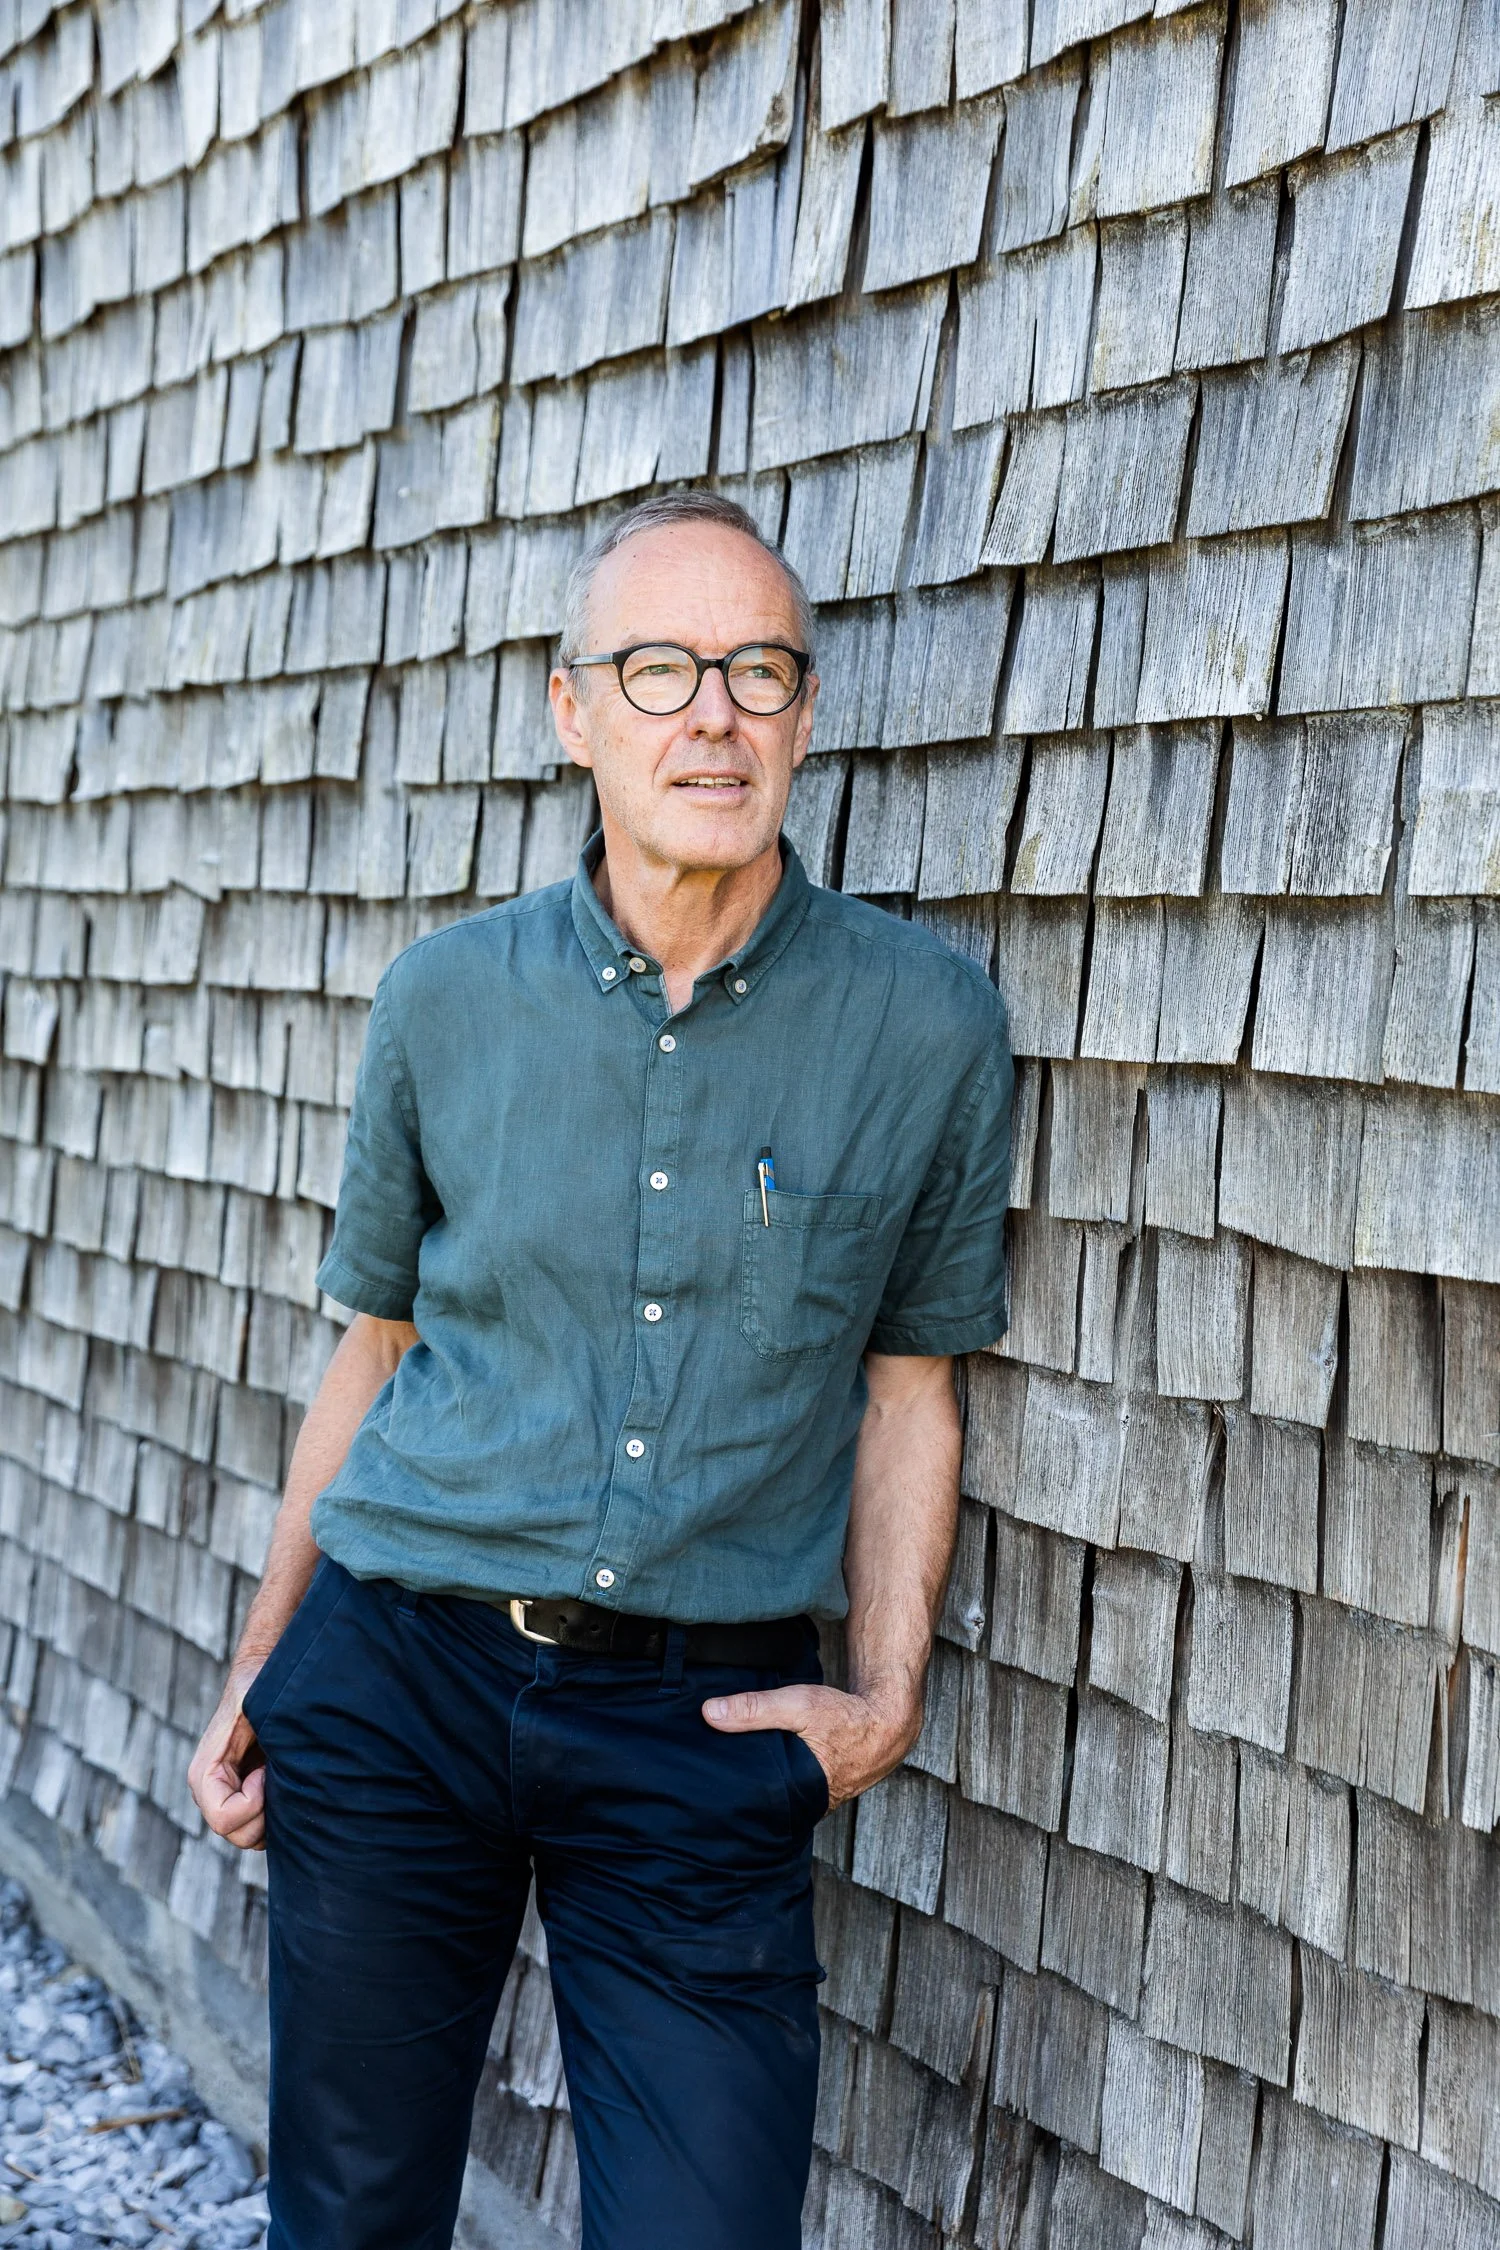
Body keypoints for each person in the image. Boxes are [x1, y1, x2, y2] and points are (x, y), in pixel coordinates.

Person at [188, 490, 1013, 2250]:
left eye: (755, 670)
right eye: (659, 668)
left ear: (802, 712)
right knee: (346, 2217)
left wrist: (884, 1697)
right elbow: (375, 1351)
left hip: (701, 1725)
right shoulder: (442, 1002)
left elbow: (909, 1387)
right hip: (398, 1675)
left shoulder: (926, 1025)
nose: (710, 712)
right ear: (575, 712)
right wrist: (266, 1661)